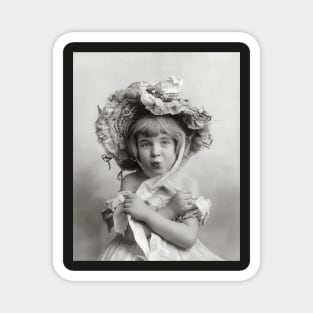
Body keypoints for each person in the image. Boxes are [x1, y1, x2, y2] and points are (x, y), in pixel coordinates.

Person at [95, 77, 222, 260]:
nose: (156, 152)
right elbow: (131, 237)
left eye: (164, 143)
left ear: (177, 147)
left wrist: (145, 214)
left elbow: (187, 239)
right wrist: (169, 211)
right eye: (146, 144)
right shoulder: (131, 181)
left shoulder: (186, 183)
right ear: (135, 149)